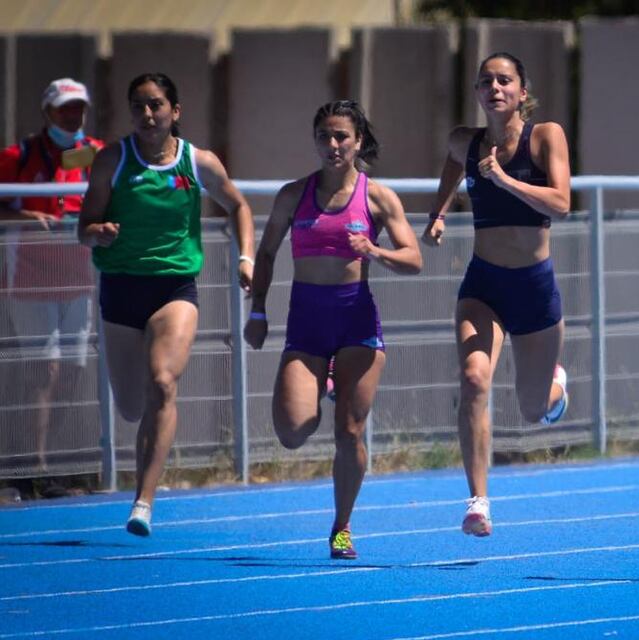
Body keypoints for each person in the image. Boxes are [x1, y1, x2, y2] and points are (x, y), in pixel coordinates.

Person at [78, 73, 255, 536]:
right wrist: (98, 232)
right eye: (138, 106)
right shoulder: (112, 159)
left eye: (156, 104)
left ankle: (144, 501)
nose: (147, 114)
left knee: (162, 383)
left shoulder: (198, 161)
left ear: (175, 111)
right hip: (121, 289)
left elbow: (238, 205)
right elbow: (84, 226)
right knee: (131, 407)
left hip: (174, 288)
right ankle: (142, 467)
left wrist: (246, 257)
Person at [243, 100, 421, 560]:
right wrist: (257, 311)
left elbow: (414, 259)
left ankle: (342, 527)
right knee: (292, 431)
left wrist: (374, 251)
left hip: (356, 324)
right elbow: (266, 254)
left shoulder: (377, 197)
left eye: (342, 136)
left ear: (358, 141)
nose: (333, 144)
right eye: (324, 136)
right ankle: (323, 379)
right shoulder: (293, 195)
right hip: (306, 327)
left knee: (349, 431)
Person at [422, 52, 571, 537]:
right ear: (477, 92)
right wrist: (439, 212)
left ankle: (556, 387)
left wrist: (503, 179)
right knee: (473, 378)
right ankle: (478, 501)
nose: (495, 88)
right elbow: (453, 162)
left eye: (505, 80)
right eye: (486, 81)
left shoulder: (544, 136)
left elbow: (562, 203)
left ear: (522, 92)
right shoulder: (464, 142)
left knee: (532, 409)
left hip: (534, 289)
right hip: (484, 286)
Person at [0, 78, 104, 473]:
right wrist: (24, 216)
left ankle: (52, 461)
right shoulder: (19, 156)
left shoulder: (95, 153)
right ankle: (34, 467)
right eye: (64, 108)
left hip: (78, 279)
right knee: (44, 371)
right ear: (48, 112)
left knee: (73, 372)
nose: (73, 115)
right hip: (29, 281)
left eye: (78, 107)